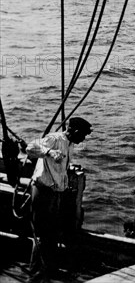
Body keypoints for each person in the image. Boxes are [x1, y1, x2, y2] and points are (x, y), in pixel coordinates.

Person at [26, 116, 92, 276]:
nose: (83, 139)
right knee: (42, 235)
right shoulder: (54, 139)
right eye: (82, 135)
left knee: (52, 233)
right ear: (75, 131)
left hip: (56, 193)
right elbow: (30, 148)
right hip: (43, 191)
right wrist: (49, 152)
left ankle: (46, 269)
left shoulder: (69, 144)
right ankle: (35, 273)